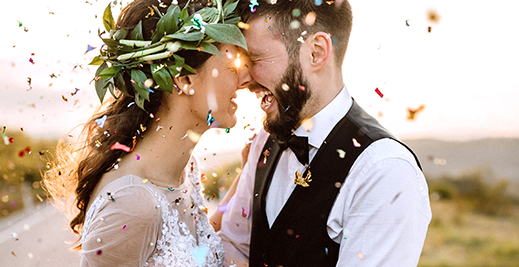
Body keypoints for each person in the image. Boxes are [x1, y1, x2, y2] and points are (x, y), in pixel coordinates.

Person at [211, 1, 432, 266]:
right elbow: (236, 247)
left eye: (255, 60)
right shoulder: (264, 140)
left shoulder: (384, 170)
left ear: (316, 53)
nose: (243, 80)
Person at [42, 0, 251, 266]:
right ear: (183, 79)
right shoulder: (130, 205)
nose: (246, 79)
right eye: (233, 66)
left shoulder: (182, 170)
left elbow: (196, 251)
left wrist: (247, 175)